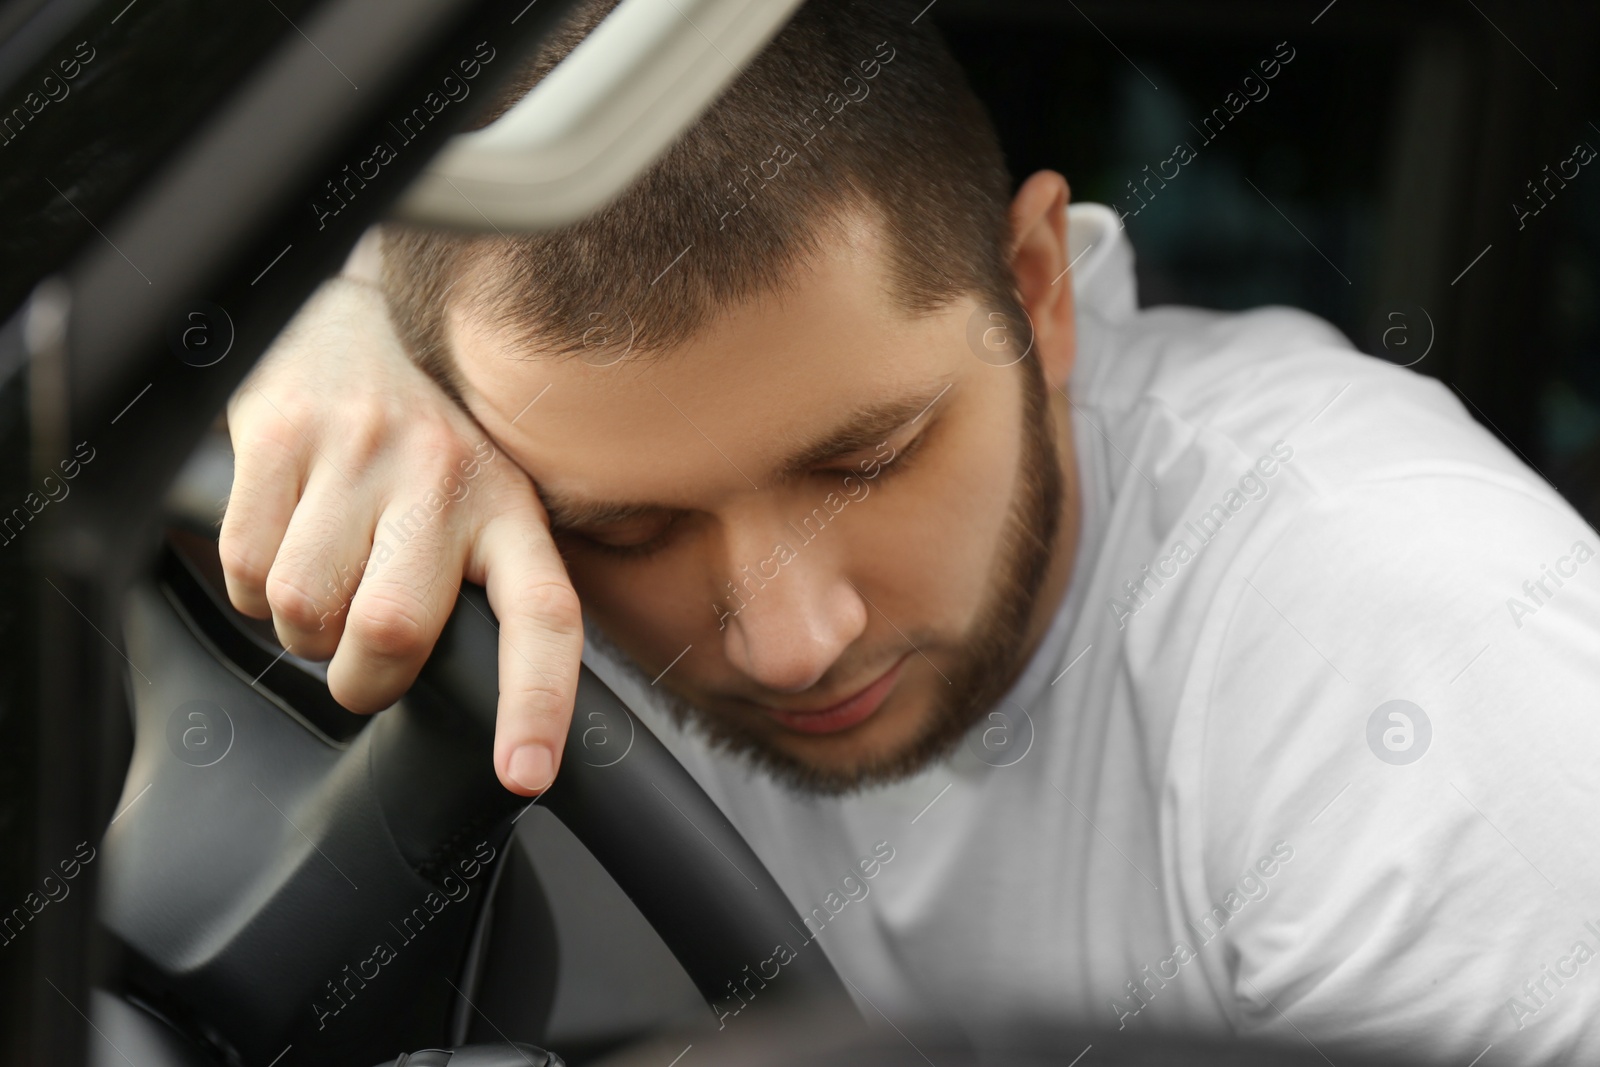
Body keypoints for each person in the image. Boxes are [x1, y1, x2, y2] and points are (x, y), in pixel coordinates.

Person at [219, 0, 1600, 1062]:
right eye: (627, 531)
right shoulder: (483, 454)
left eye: (869, 460)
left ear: (1039, 287)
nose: (789, 640)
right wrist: (286, 342)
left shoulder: (1413, 653)